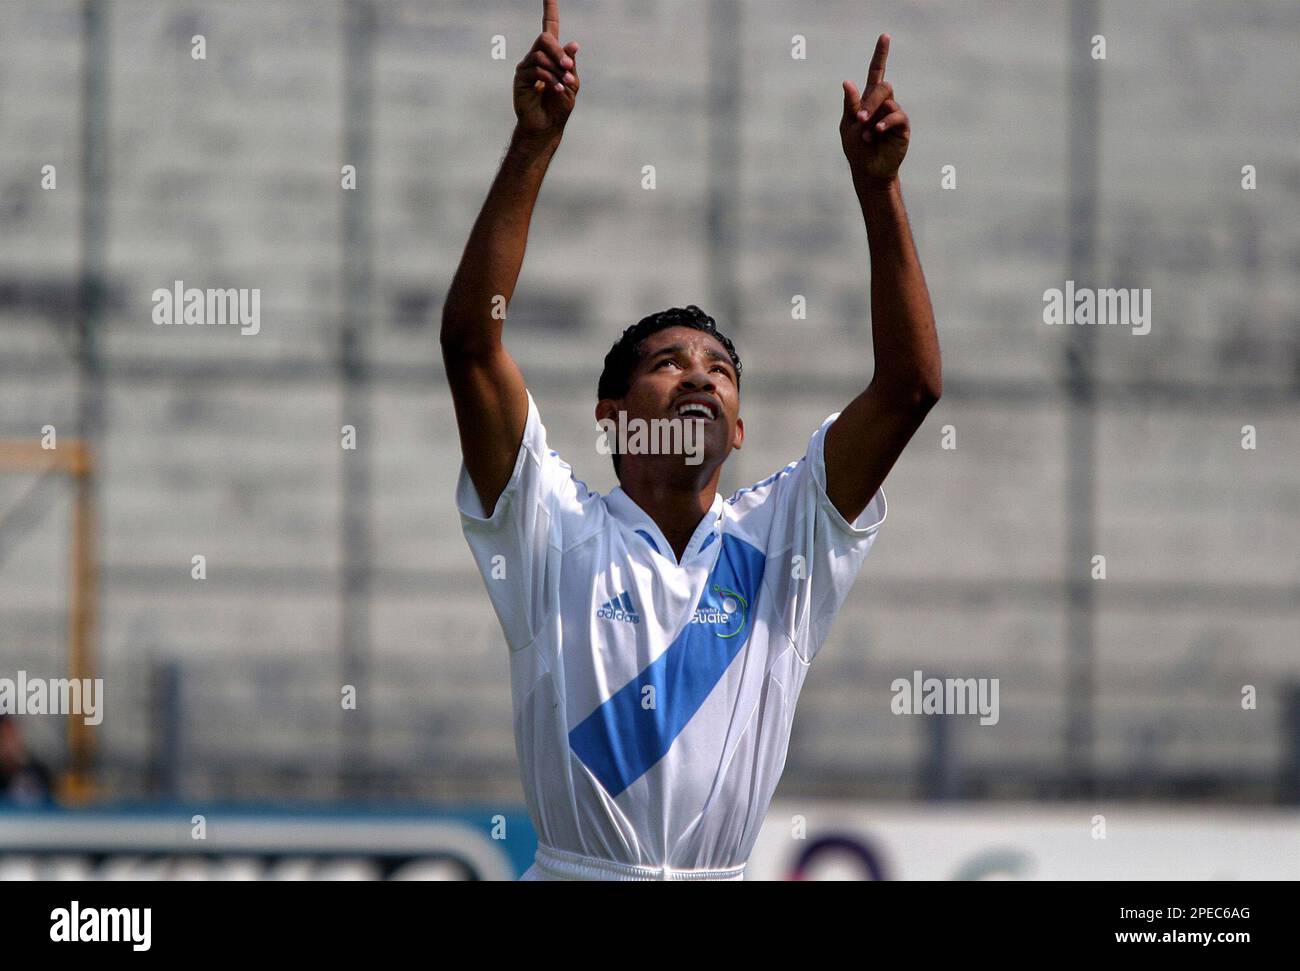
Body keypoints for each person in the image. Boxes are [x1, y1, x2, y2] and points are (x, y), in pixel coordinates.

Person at [440, 0, 939, 880]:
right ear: (612, 412)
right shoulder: (551, 527)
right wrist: (533, 144)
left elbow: (910, 388)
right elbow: (473, 344)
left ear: (739, 428)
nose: (700, 375)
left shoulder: (783, 538)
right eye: (668, 363)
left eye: (719, 368)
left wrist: (879, 189)